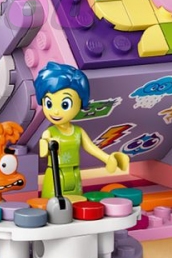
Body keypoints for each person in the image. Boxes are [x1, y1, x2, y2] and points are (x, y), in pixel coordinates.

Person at [34, 61, 128, 197]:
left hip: (75, 172)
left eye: (65, 104)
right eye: (49, 103)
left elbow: (91, 147)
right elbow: (43, 152)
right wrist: (47, 143)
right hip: (54, 174)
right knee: (53, 204)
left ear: (80, 103)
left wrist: (107, 158)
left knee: (77, 202)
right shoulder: (49, 132)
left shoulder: (78, 132)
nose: (55, 111)